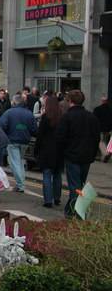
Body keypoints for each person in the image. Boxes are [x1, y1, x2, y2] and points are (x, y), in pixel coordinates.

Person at [56, 90, 101, 218]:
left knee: (75, 186)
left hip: (72, 156)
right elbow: (97, 138)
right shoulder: (92, 117)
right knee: (79, 184)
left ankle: (75, 211)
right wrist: (92, 154)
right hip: (87, 157)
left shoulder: (67, 117)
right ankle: (73, 210)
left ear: (70, 101)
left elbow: (60, 138)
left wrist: (63, 152)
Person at [0, 94, 37, 193]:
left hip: (12, 140)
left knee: (15, 163)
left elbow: (2, 125)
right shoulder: (29, 113)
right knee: (20, 162)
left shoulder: (9, 112)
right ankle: (21, 183)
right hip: (25, 141)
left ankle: (21, 185)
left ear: (15, 102)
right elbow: (34, 129)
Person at [34, 95, 63, 208]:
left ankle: (48, 200)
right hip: (59, 150)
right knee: (57, 175)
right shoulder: (62, 118)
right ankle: (57, 198)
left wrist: (36, 151)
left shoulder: (45, 118)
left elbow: (40, 136)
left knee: (47, 174)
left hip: (46, 150)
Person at [93, 95, 112, 163]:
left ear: (101, 101)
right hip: (108, 129)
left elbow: (94, 120)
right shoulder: (110, 109)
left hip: (100, 129)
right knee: (106, 142)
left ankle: (104, 154)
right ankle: (105, 154)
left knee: (101, 142)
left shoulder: (97, 109)